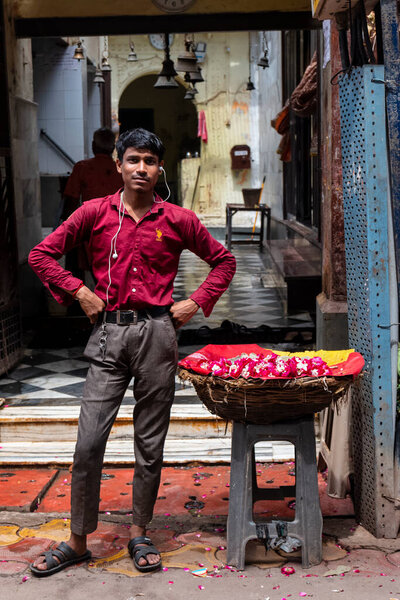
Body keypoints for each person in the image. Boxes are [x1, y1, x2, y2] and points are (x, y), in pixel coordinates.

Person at [28, 127, 236, 576]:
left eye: (150, 161)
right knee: (88, 443)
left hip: (159, 335)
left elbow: (225, 261)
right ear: (118, 164)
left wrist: (196, 302)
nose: (141, 168)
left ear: (160, 168)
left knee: (149, 442)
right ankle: (78, 540)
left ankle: (139, 532)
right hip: (108, 335)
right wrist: (79, 291)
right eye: (134, 160)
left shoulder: (178, 220)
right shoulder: (93, 213)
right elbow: (42, 255)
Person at [61, 127, 123, 220]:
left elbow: (71, 200)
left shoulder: (82, 167)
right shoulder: (122, 170)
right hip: (116, 221)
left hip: (91, 221)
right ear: (113, 148)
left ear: (93, 145)